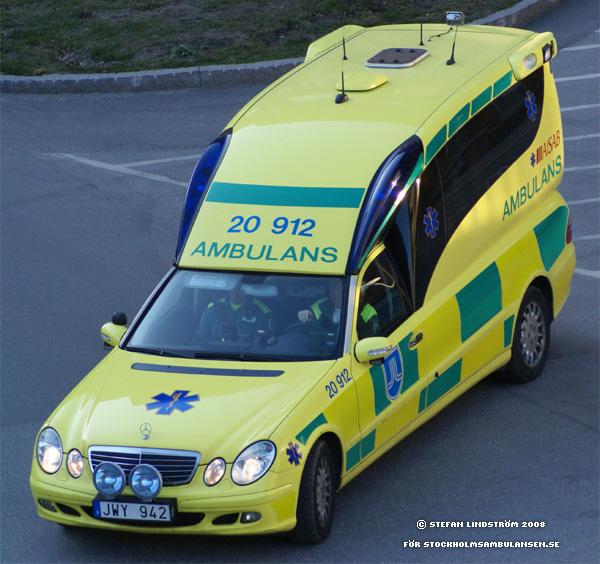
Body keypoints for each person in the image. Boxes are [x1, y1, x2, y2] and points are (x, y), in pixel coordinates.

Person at [196, 286, 273, 343]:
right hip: (213, 357)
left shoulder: (260, 311)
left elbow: (263, 343)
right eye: (234, 287)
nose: (237, 291)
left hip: (248, 357)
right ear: (228, 289)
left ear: (248, 290)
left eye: (241, 288)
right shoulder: (212, 309)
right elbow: (200, 340)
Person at [297, 283, 379, 336]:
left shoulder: (367, 311)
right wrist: (302, 315)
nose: (336, 293)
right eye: (333, 289)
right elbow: (305, 327)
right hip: (318, 350)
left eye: (341, 289)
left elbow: (368, 342)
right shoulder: (320, 305)